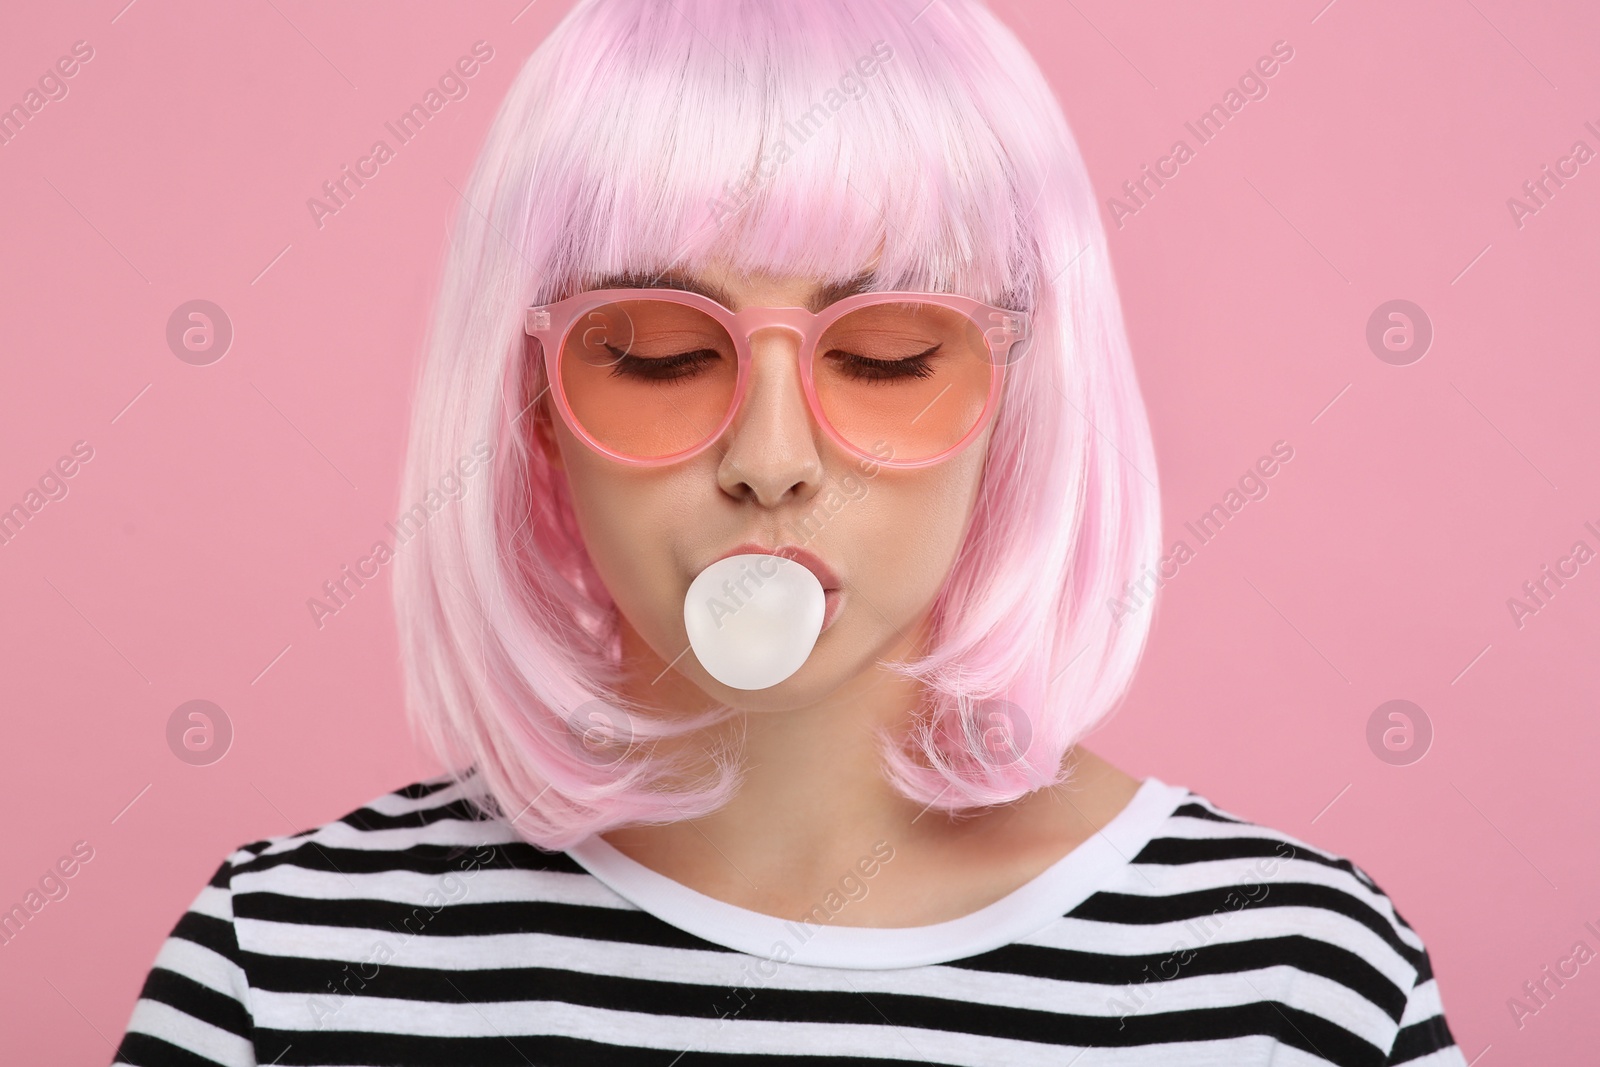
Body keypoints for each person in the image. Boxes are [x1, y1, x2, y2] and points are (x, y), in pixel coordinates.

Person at [112, 0, 1467, 1062]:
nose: (769, 463)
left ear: (1019, 402)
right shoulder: (284, 968)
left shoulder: (1292, 983)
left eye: (883, 355)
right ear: (531, 403)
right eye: (651, 357)